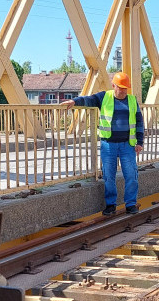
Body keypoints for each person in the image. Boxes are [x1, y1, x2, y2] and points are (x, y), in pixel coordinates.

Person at [62, 72, 144, 215]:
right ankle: (111, 205)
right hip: (108, 145)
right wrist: (75, 101)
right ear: (114, 86)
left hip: (127, 145)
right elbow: (89, 100)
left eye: (126, 88)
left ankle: (131, 204)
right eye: (121, 88)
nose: (124, 91)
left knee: (131, 175)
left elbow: (139, 122)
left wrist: (140, 142)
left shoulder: (132, 100)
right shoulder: (104, 97)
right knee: (109, 176)